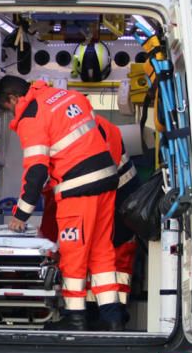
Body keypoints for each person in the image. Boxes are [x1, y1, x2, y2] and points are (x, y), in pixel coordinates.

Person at [0, 76, 122, 331]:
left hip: (78, 188)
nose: (11, 114)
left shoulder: (31, 117)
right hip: (107, 179)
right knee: (101, 252)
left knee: (73, 254)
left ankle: (75, 319)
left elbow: (36, 172)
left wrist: (21, 214)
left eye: (8, 108)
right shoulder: (69, 96)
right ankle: (113, 317)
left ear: (12, 99)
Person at [40, 115, 140, 327]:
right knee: (111, 261)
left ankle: (88, 318)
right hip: (126, 203)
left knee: (84, 257)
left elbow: (54, 200)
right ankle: (112, 316)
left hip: (110, 203)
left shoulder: (72, 139)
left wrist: (49, 243)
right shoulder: (102, 127)